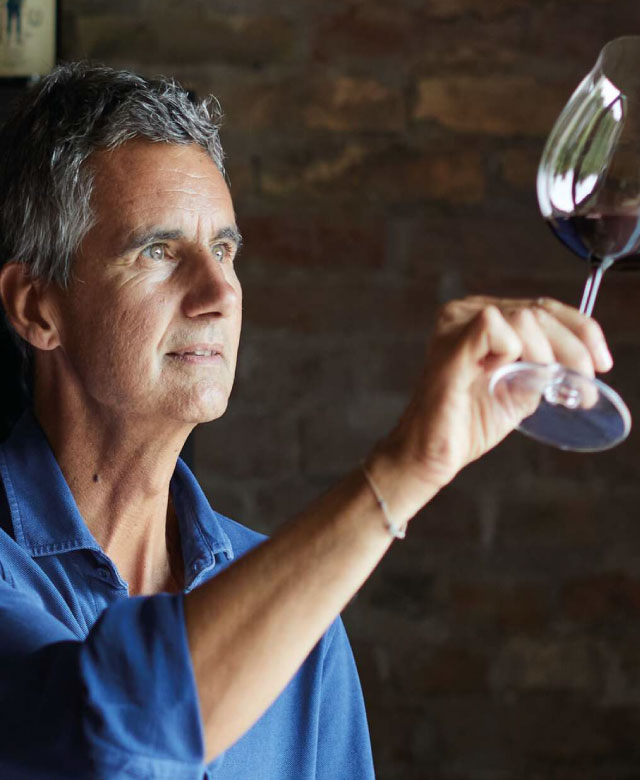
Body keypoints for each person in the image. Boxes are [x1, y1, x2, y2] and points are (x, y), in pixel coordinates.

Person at [0, 63, 613, 779]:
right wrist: (402, 472)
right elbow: (108, 730)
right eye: (159, 251)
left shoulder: (304, 615)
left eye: (224, 250)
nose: (218, 292)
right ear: (37, 307)